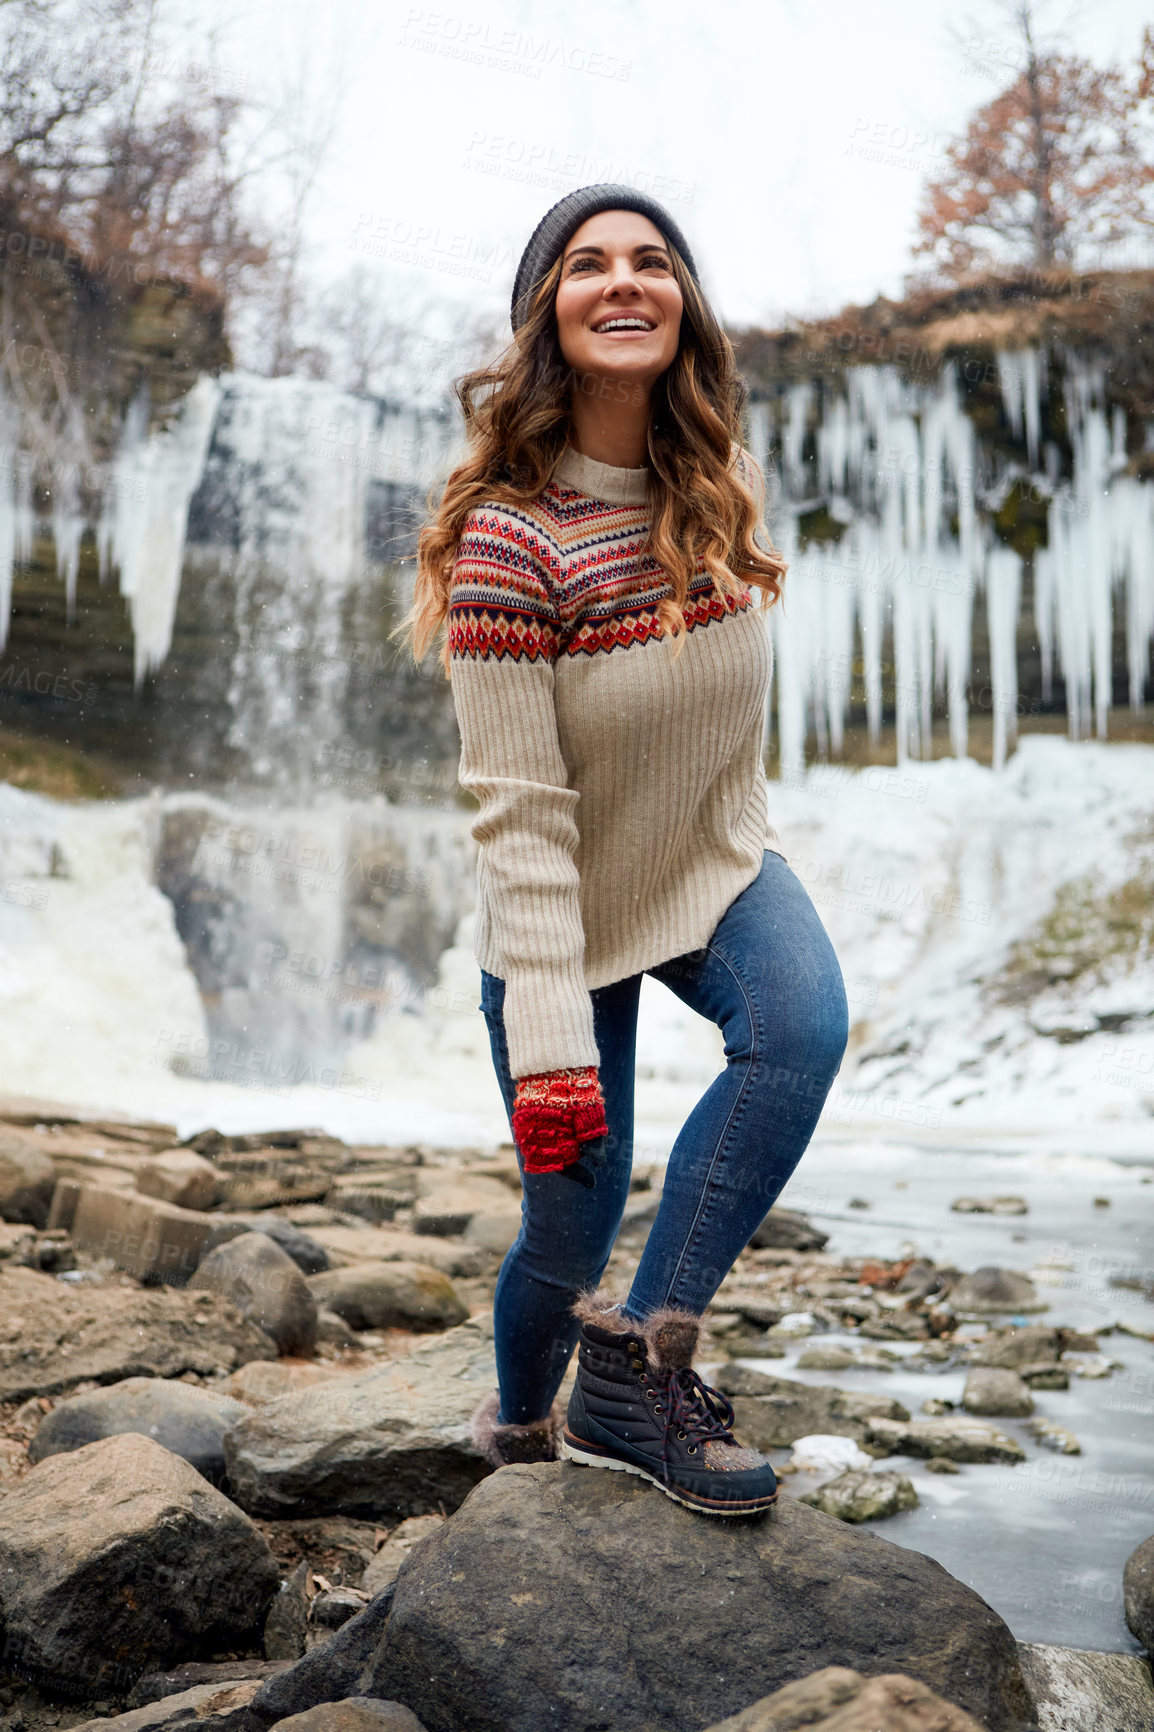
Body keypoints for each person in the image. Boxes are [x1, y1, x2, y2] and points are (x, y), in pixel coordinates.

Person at [395, 184, 848, 1517]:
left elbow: (719, 727)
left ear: (683, 304)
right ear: (549, 312)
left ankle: (636, 1365)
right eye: (587, 265)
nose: (623, 280)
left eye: (652, 261)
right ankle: (521, 1421)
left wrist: (740, 856)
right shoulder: (509, 540)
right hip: (560, 915)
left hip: (711, 867)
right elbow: (518, 806)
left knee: (801, 1030)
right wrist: (547, 1035)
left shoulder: (716, 487)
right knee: (565, 1220)